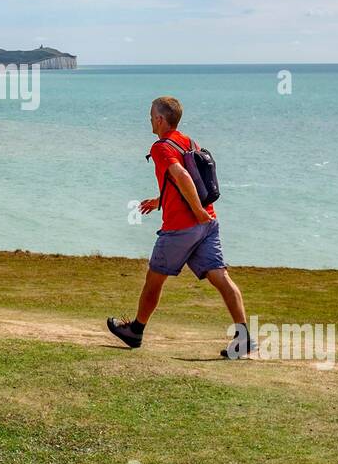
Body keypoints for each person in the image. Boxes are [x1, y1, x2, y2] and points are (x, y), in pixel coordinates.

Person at [106, 96, 255, 358]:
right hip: (208, 223)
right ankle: (244, 338)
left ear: (160, 119)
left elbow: (183, 176)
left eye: (151, 115)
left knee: (154, 278)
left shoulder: (161, 147)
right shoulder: (190, 142)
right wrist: (160, 201)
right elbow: (187, 181)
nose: (149, 119)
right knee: (221, 278)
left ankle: (135, 331)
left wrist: (195, 212)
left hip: (182, 227)